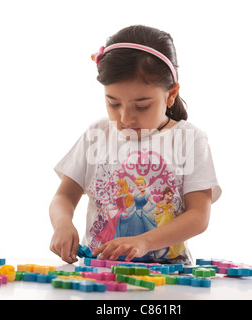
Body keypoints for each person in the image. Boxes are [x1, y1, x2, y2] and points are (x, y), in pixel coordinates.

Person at [49, 25, 222, 264]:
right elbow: (64, 197)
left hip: (169, 276)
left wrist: (144, 242)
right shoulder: (97, 134)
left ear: (171, 94)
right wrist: (63, 224)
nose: (125, 119)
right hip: (100, 271)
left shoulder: (189, 140)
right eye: (113, 103)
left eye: (142, 106)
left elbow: (199, 216)